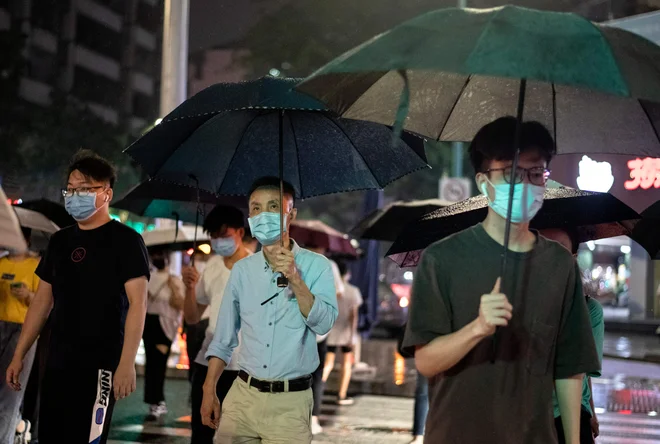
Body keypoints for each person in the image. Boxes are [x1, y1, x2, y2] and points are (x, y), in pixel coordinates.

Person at [401, 117, 599, 443]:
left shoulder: (559, 264)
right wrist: (477, 328)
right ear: (483, 182)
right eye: (511, 173)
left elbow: (570, 368)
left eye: (536, 173)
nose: (525, 184)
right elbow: (426, 361)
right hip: (456, 434)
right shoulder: (443, 258)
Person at [5, 150, 150, 444]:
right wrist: (19, 354)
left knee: (88, 439)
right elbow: (41, 302)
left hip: (101, 365)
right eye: (70, 189)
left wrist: (126, 362)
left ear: (106, 193)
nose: (74, 195)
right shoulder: (60, 241)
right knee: (52, 435)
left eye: (84, 189)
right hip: (57, 360)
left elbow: (138, 304)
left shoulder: (126, 241)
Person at [201, 177, 338, 444]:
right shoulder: (242, 270)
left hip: (291, 403)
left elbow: (324, 325)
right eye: (255, 208)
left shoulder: (317, 266)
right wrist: (209, 389)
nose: (262, 215)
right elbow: (224, 337)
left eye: (273, 206)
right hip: (242, 396)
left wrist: (296, 280)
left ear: (291, 213)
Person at [181, 205, 252, 444]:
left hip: (244, 367)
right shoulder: (212, 266)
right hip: (208, 362)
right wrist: (189, 288)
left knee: (237, 436)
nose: (218, 241)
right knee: (201, 433)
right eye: (213, 236)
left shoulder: (257, 269)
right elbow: (192, 317)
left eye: (224, 235)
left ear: (240, 232)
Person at [540, 228, 605, 444]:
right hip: (527, 415)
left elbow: (582, 370)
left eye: (560, 249)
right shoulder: (516, 303)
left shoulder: (589, 310)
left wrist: (592, 412)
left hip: (572, 412)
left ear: (573, 257)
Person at [0, 227, 40, 444]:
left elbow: (45, 304)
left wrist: (29, 295)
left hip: (23, 331)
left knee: (10, 393)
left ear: (26, 239)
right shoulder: (1, 262)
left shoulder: (36, 266)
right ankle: (18, 425)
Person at [143, 249, 184, 421]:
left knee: (154, 363)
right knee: (156, 364)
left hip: (154, 324)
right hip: (160, 325)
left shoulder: (153, 279)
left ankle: (155, 401)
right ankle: (157, 401)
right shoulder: (169, 279)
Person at [322, 259, 362, 405]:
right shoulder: (353, 291)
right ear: (347, 274)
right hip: (346, 332)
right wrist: (352, 335)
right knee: (346, 364)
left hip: (330, 330)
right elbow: (354, 316)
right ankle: (341, 395)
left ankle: (318, 388)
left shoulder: (329, 289)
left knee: (328, 363)